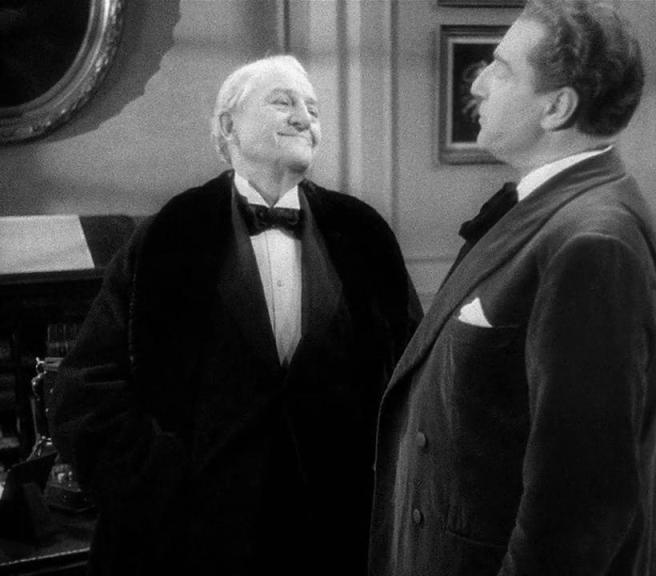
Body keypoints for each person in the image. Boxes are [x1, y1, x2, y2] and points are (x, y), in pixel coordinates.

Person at [49, 54, 421, 576]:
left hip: (335, 535)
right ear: (228, 127)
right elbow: (85, 390)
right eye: (283, 102)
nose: (304, 118)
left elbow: (413, 376)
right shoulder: (167, 236)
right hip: (194, 544)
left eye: (313, 109)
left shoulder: (364, 234)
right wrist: (159, 487)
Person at [369, 1, 656, 575]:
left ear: (557, 108)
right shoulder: (554, 207)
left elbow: (578, 506)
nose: (477, 83)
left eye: (501, 69)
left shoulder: (594, 241)